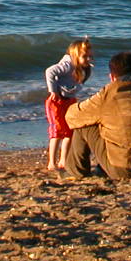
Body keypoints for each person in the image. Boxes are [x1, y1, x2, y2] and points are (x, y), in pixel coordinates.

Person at [64, 51, 131, 180]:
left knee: (84, 126)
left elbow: (74, 116)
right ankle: (102, 167)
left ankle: (75, 171)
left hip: (126, 168)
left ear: (112, 76)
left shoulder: (110, 93)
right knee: (120, 124)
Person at [44, 38, 93, 170]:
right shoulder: (67, 64)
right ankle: (52, 162)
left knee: (69, 131)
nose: (88, 59)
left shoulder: (82, 68)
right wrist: (53, 91)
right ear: (75, 55)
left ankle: (64, 160)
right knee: (57, 132)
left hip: (69, 100)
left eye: (90, 56)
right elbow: (50, 71)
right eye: (85, 56)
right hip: (56, 101)